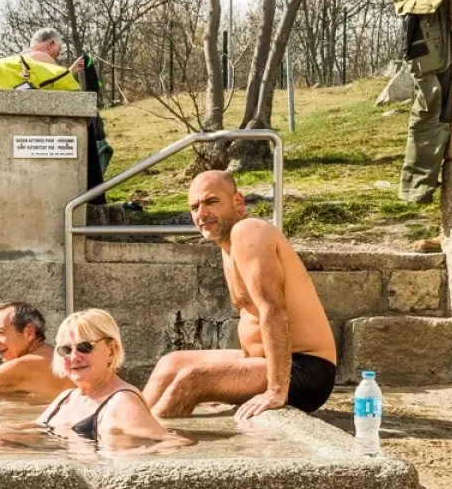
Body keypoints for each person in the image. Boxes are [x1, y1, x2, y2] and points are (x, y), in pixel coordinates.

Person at [141, 171, 339, 423]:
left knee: (193, 379)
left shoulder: (248, 231)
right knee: (172, 363)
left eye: (211, 202)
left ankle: (148, 448)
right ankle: (125, 425)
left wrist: (275, 391)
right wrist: (229, 377)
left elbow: (273, 310)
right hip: (260, 362)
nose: (201, 214)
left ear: (237, 202)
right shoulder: (228, 244)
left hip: (304, 369)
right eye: (194, 207)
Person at [0, 310, 176, 450]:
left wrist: (123, 468)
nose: (74, 357)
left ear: (111, 351)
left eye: (84, 347)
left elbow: (173, 444)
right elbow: (39, 426)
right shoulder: (68, 397)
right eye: (65, 350)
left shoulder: (121, 403)